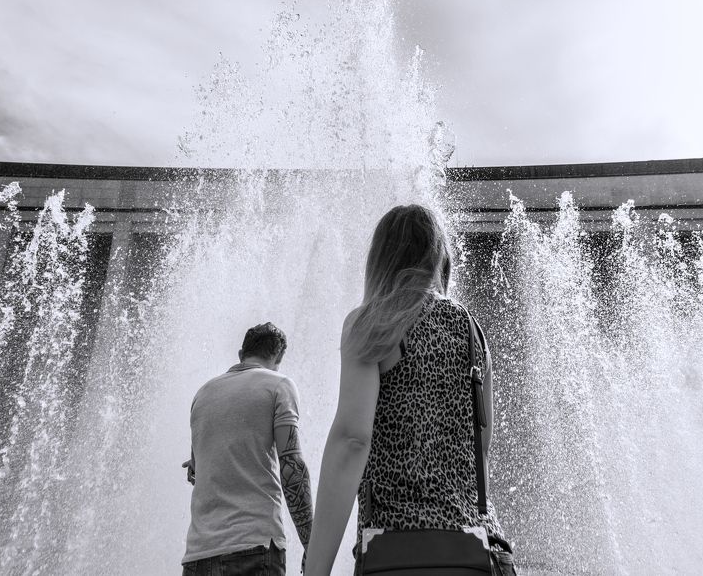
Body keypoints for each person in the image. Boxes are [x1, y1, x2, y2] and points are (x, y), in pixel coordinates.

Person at [305, 205, 515, 575]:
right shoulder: (472, 330)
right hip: (479, 553)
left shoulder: (373, 323)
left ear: (381, 259)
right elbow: (480, 450)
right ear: (439, 259)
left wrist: (316, 570)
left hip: (399, 551)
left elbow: (352, 440)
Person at [182, 322, 313, 575]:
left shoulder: (203, 394)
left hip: (198, 556)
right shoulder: (279, 385)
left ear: (241, 354)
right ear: (279, 357)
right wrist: (312, 544)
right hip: (254, 546)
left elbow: (196, 470)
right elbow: (292, 467)